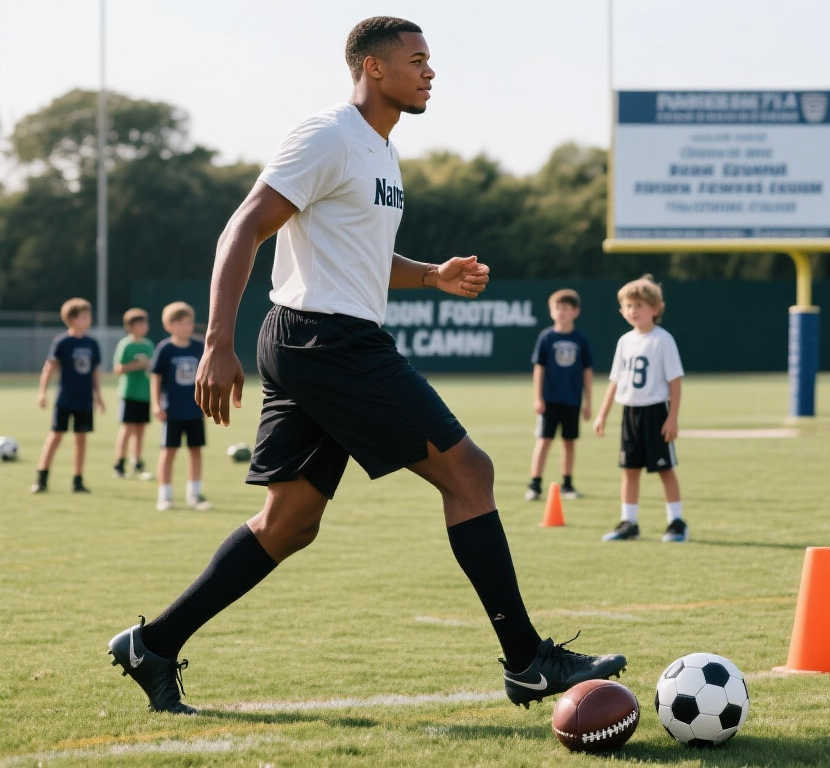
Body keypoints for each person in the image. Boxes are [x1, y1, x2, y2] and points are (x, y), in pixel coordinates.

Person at [107, 16, 625, 715]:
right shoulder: (329, 135)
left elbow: (362, 259)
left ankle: (153, 644)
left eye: (430, 61)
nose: (430, 72)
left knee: (289, 521)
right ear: (373, 68)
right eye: (417, 60)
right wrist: (215, 341)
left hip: (321, 339)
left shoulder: (383, 153)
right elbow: (245, 225)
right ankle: (527, 660)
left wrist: (433, 275)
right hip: (325, 340)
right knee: (469, 471)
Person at [593, 275, 687, 543]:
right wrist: (602, 413)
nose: (633, 311)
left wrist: (673, 417)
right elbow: (615, 380)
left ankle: (677, 522)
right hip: (630, 412)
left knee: (664, 469)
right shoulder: (625, 341)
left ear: (655, 308)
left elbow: (675, 381)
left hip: (656, 411)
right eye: (628, 306)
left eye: (639, 305)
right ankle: (629, 522)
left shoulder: (662, 340)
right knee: (629, 469)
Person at [525, 289, 593, 501]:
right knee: (544, 440)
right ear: (551, 311)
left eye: (566, 308)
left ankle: (567, 484)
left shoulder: (580, 339)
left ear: (576, 312)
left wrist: (588, 402)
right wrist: (538, 397)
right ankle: (535, 484)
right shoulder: (546, 337)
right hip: (550, 400)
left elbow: (587, 371)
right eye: (557, 308)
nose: (561, 312)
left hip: (572, 400)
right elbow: (539, 368)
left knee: (569, 442)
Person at [31, 297, 104, 494]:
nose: (89, 319)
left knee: (81, 439)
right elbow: (50, 367)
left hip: (85, 400)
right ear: (72, 319)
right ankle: (41, 478)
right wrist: (42, 392)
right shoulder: (62, 342)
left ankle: (78, 480)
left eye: (89, 316)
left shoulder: (92, 343)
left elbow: (94, 372)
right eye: (84, 316)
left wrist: (98, 396)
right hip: (65, 399)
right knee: (55, 436)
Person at [150, 302, 210, 511]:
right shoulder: (165, 349)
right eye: (182, 323)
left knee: (196, 451)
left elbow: (206, 376)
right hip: (172, 411)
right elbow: (156, 378)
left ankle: (194, 494)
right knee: (168, 452)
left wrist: (207, 402)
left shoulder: (199, 347)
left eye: (190, 323)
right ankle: (164, 496)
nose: (188, 327)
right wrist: (157, 404)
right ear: (170, 325)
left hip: (194, 409)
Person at [113, 308, 155, 480]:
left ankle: (137, 462)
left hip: (144, 394)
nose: (144, 326)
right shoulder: (126, 344)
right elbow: (118, 369)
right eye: (140, 324)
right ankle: (119, 463)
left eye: (145, 323)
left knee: (140, 430)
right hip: (129, 393)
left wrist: (149, 366)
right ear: (130, 327)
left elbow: (153, 368)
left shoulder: (148, 345)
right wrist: (137, 365)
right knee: (127, 429)